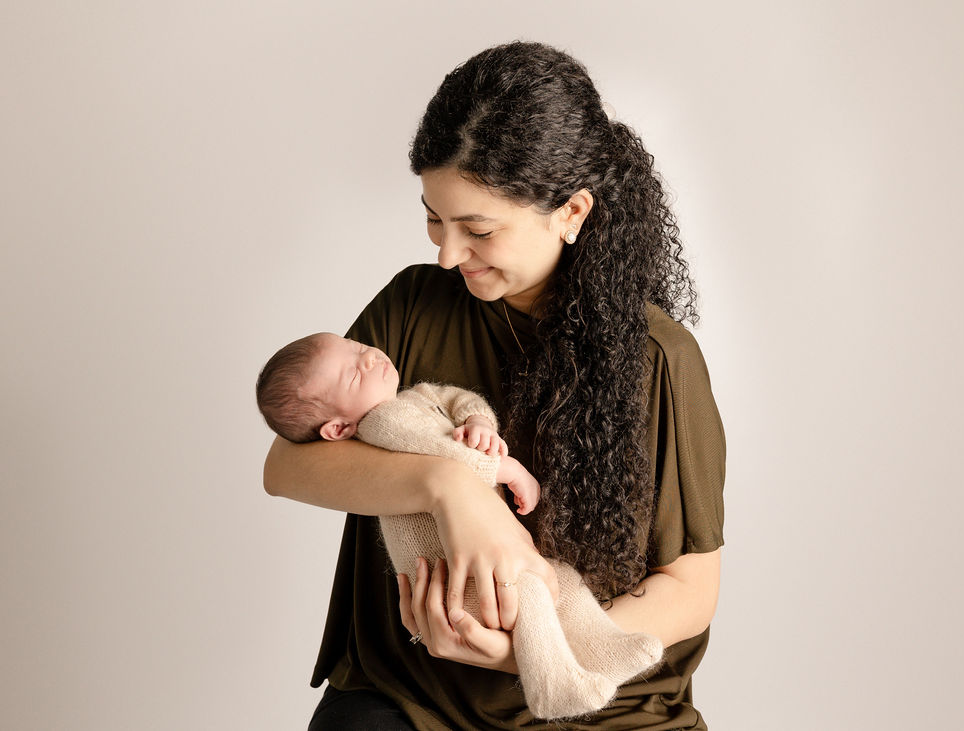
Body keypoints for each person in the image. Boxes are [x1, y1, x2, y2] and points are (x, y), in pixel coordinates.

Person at [263, 41, 726, 730]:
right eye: (433, 218)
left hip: (600, 700)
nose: (447, 254)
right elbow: (287, 463)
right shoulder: (414, 303)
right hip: (413, 693)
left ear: (571, 213)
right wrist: (448, 490)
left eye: (477, 229)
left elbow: (691, 588)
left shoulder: (661, 357)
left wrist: (528, 654)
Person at [256, 331, 664, 718]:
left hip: (482, 558)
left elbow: (459, 399)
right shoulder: (380, 424)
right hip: (452, 573)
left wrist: (479, 422)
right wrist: (502, 467)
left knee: (562, 585)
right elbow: (436, 453)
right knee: (532, 596)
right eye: (354, 372)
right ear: (338, 429)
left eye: (357, 346)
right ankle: (552, 684)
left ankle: (604, 648)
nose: (368, 356)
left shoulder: (416, 396)